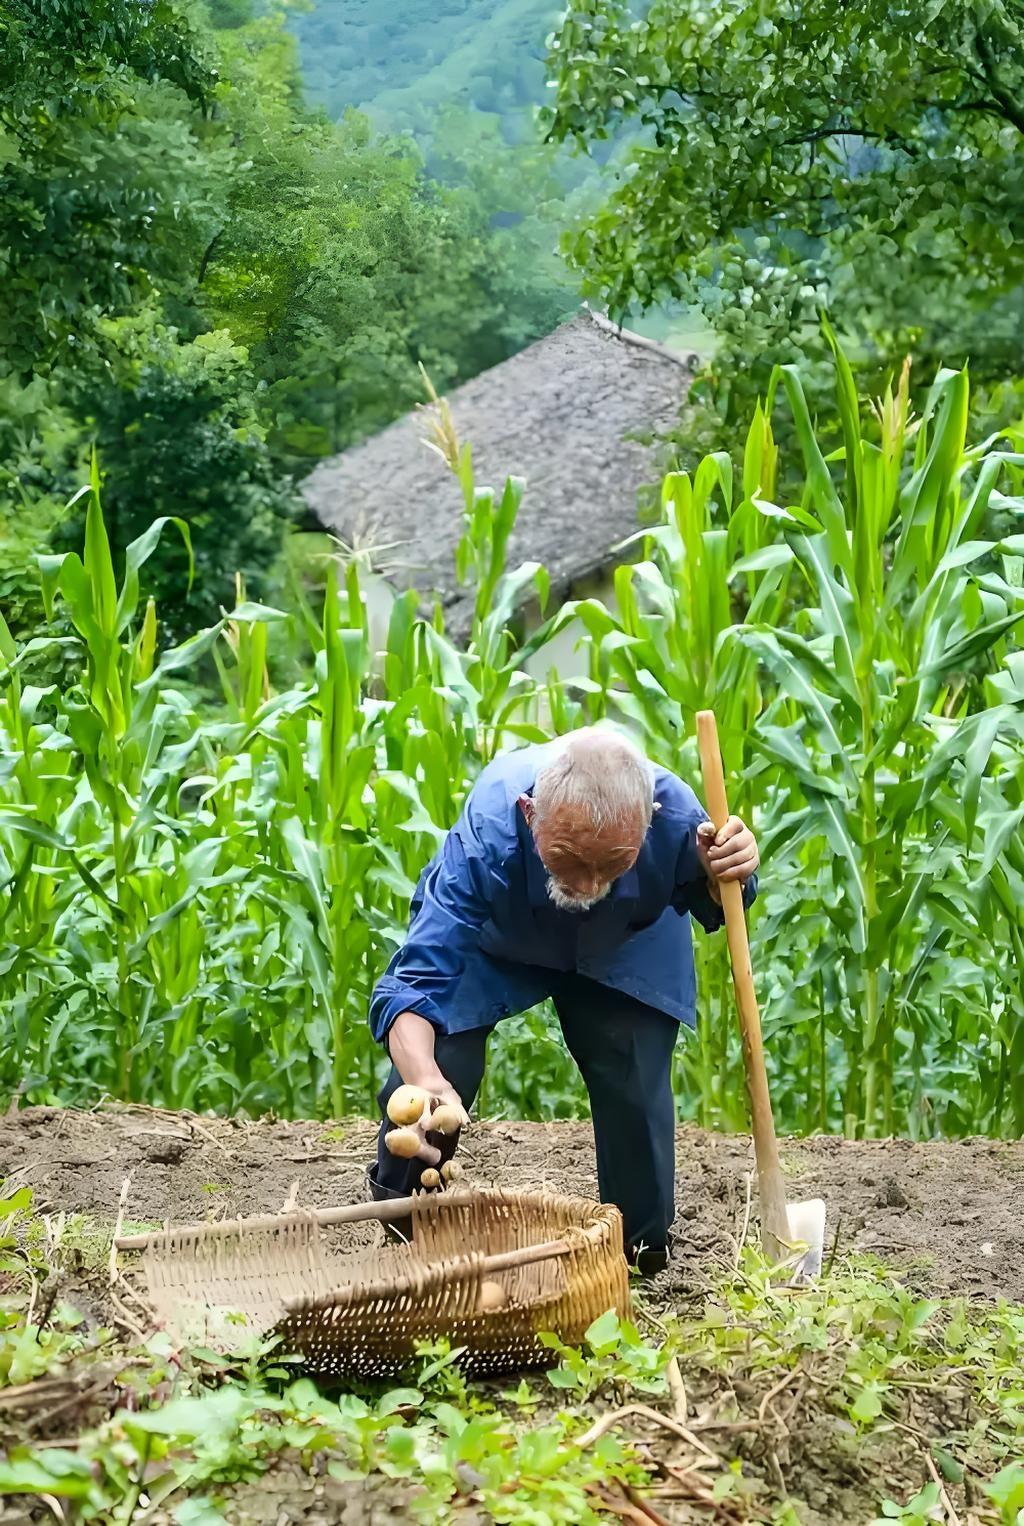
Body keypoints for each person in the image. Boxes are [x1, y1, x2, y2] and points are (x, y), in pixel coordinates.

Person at [366, 727, 759, 1273]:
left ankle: (635, 1254)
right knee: (435, 1065)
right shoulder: (490, 830)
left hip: (628, 941)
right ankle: (400, 1221)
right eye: (572, 857)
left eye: (613, 862)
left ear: (647, 820)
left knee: (634, 1082)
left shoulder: (676, 817)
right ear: (530, 814)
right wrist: (425, 1078)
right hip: (501, 938)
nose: (591, 882)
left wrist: (729, 871)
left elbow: (720, 898)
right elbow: (416, 980)